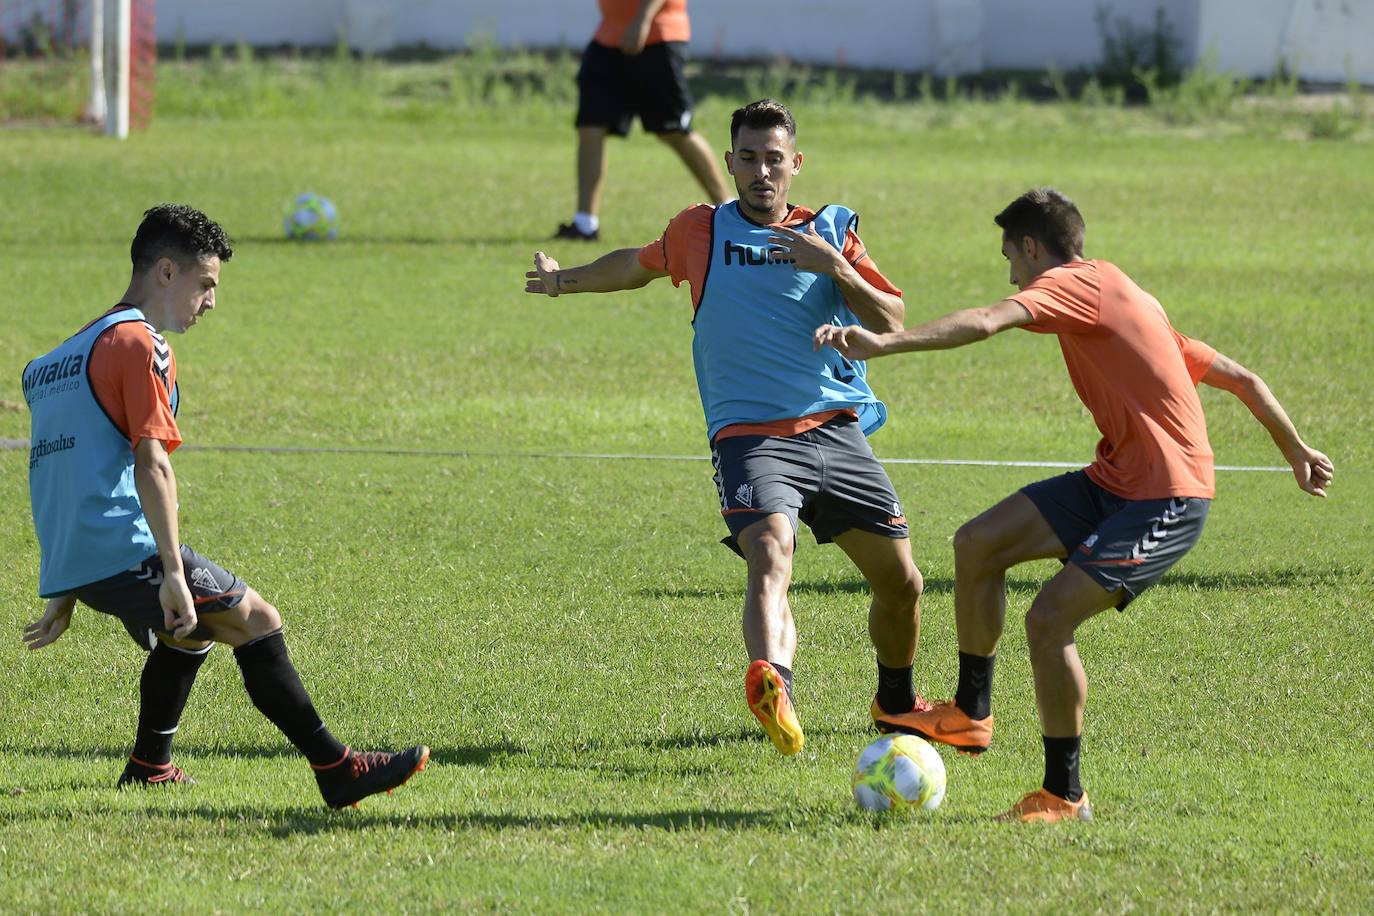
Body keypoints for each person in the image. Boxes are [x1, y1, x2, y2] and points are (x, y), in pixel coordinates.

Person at [814, 186, 1334, 821]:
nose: (1010, 273)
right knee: (978, 543)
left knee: (1049, 622)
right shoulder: (1124, 295)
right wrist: (1297, 450)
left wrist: (883, 343)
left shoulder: (1074, 284)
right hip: (1114, 481)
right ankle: (971, 713)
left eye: (1011, 256)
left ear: (1033, 248)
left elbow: (985, 320)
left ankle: (1064, 795)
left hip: (1167, 496)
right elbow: (1244, 379)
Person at [528, 98, 927, 756]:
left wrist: (836, 266)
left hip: (834, 431)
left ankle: (896, 700)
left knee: (902, 584)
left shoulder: (829, 229)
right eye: (748, 158)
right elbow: (633, 266)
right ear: (730, 162)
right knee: (771, 554)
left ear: (795, 165)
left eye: (775, 160)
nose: (761, 172)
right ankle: (777, 691)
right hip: (751, 440)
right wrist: (562, 282)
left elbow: (893, 323)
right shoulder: (700, 230)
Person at [20, 204, 429, 808]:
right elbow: (151, 462)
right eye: (205, 284)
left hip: (73, 555)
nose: (210, 301)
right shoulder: (139, 342)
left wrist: (67, 586)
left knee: (193, 632)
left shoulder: (56, 358)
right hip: (118, 547)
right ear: (166, 271)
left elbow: (69, 470)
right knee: (255, 619)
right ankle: (336, 768)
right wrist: (172, 573)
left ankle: (149, 765)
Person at [555, 0, 732, 241]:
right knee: (591, 126)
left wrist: (642, 19)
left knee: (674, 131)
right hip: (608, 35)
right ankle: (585, 224)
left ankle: (730, 212)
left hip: (657, 33)